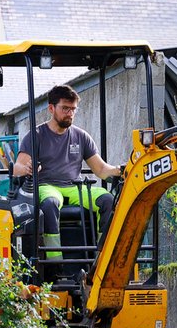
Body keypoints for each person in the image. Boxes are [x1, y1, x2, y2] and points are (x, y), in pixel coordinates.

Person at [12, 85, 122, 261]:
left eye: (73, 109)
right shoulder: (37, 135)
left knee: (107, 200)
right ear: (51, 108)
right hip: (47, 186)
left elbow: (101, 170)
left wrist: (121, 170)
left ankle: (103, 259)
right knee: (50, 204)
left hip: (74, 188)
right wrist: (26, 169)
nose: (70, 113)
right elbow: (17, 167)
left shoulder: (81, 136)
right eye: (65, 108)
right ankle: (55, 263)